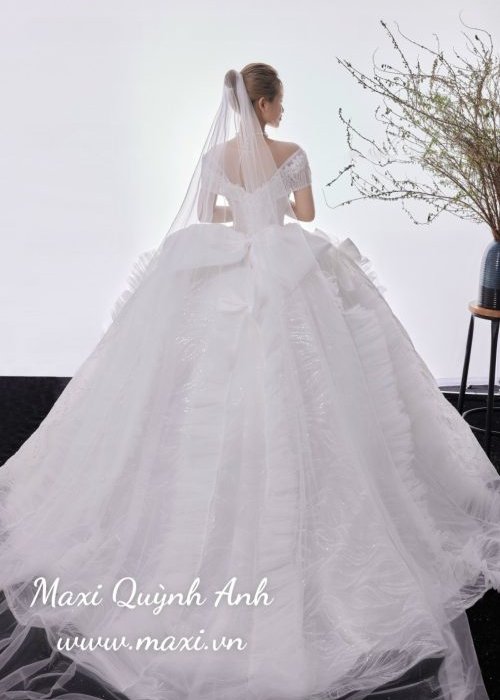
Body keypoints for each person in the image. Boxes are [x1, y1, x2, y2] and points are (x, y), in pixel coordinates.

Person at [0, 62, 499, 700]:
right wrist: (275, 205)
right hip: (286, 267)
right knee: (320, 381)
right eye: (279, 101)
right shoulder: (292, 154)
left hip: (232, 265)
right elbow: (305, 213)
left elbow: (208, 213)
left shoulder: (216, 155)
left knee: (205, 392)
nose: (282, 111)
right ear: (263, 103)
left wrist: (243, 210)